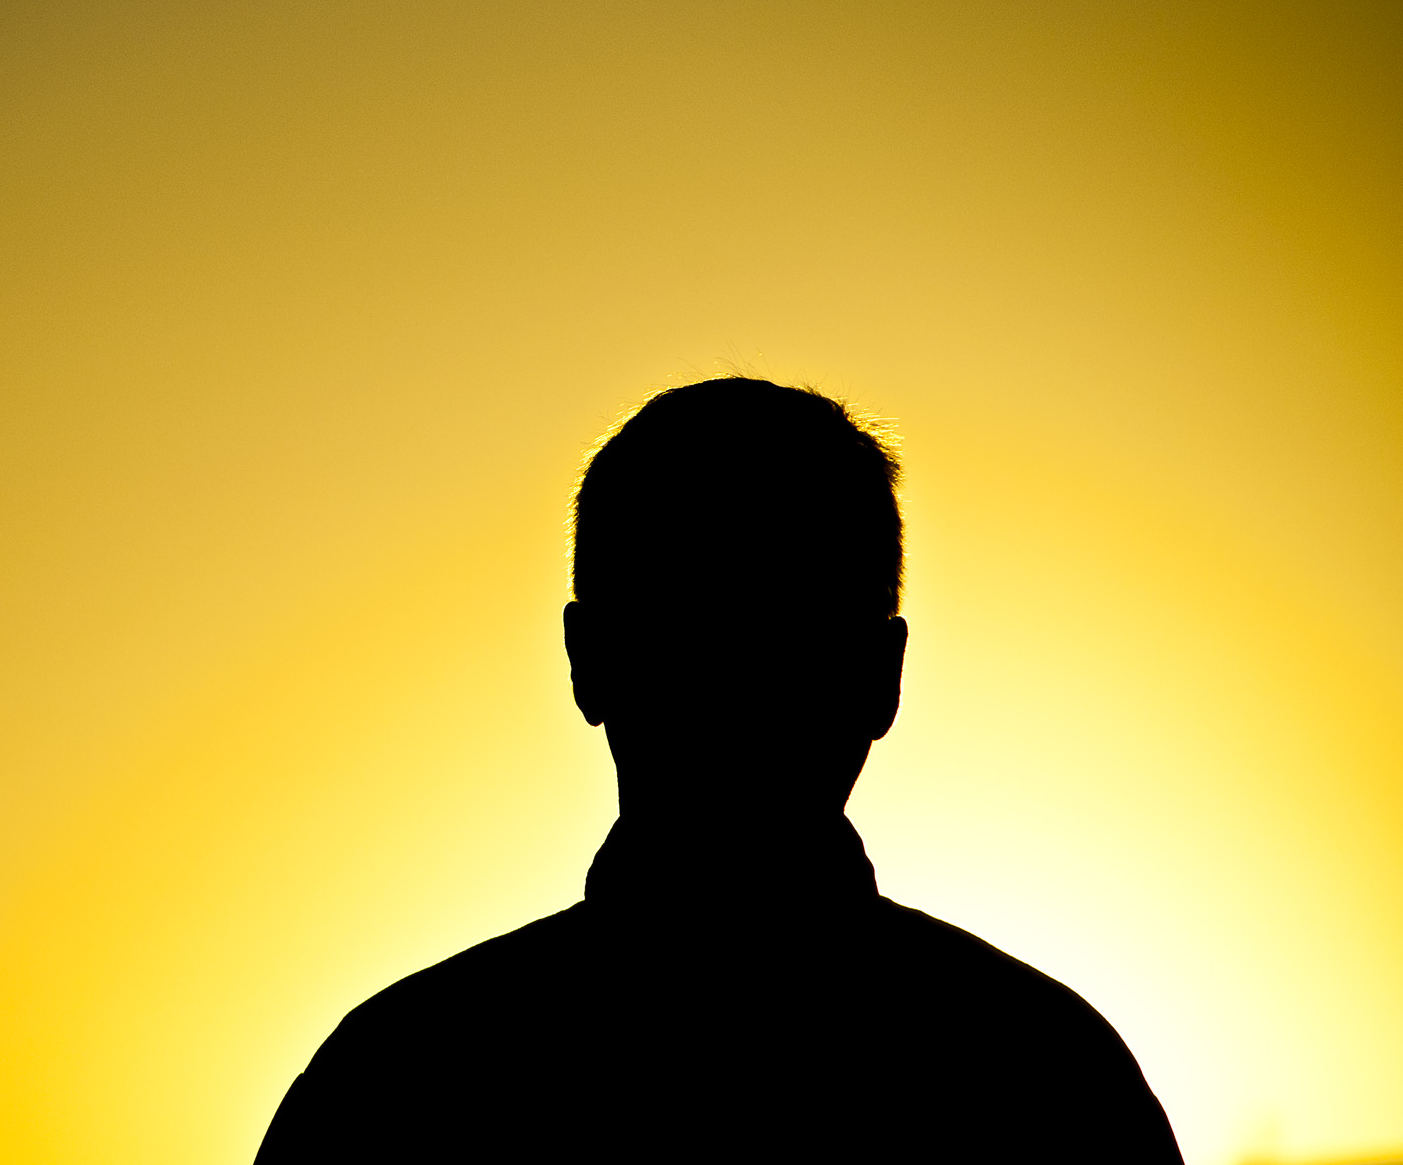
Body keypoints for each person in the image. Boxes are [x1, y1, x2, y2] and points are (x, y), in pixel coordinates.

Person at [255, 375, 1182, 1163]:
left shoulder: (399, 1082)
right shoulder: (1046, 1078)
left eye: (786, 625)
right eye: (695, 620)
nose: (740, 670)